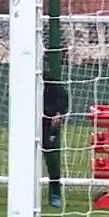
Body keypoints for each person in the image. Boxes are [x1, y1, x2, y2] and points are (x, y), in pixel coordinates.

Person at [44, 74, 70, 207]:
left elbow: (63, 96)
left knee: (53, 160)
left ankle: (55, 193)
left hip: (48, 125)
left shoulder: (52, 83)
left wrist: (59, 113)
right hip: (29, 124)